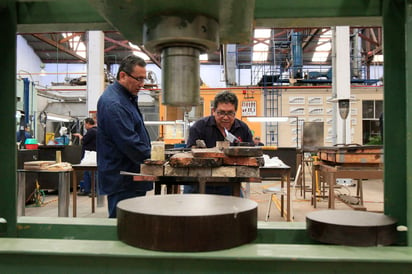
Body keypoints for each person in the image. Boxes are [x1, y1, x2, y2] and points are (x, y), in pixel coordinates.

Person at [97, 55, 153, 218]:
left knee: (132, 225)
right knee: (122, 227)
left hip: (131, 175)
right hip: (123, 178)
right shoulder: (114, 103)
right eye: (139, 79)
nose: (141, 84)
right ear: (123, 76)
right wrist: (156, 159)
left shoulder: (125, 98)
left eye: (144, 79)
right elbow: (129, 142)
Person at [184, 90, 254, 195]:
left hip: (229, 183)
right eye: (221, 113)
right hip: (199, 183)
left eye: (230, 113)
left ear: (235, 111)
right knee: (191, 208)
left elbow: (251, 153)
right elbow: (190, 153)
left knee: (239, 209)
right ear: (213, 111)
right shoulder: (199, 127)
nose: (225, 117)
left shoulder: (242, 129)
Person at [73, 118, 97, 196]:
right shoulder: (97, 130)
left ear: (88, 123)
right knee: (87, 173)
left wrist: (80, 136)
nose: (85, 126)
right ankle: (88, 190)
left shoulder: (91, 131)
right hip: (92, 155)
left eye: (85, 124)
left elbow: (84, 141)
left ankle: (94, 191)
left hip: (90, 156)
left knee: (91, 173)